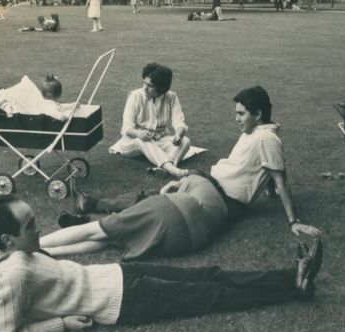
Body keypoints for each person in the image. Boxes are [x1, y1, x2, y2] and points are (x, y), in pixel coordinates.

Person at [0, 195, 324, 332]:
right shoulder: (15, 274)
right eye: (30, 227)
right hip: (122, 302)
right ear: (9, 239)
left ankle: (290, 274)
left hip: (116, 274)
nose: (38, 230)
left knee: (210, 274)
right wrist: (62, 324)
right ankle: (295, 287)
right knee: (212, 295)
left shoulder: (2, 260)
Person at [209, 86, 322, 237]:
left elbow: (280, 180)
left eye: (241, 114)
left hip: (228, 200)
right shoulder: (252, 131)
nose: (236, 119)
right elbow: (267, 164)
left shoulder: (267, 138)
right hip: (214, 185)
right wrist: (270, 191)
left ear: (258, 115)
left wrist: (293, 221)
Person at [45, 172, 228, 260]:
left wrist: (166, 189)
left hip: (171, 212)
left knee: (96, 229)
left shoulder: (195, 180)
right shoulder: (221, 207)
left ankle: (36, 244)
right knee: (112, 238)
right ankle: (49, 252)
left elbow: (169, 191)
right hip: (186, 242)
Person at [109, 63, 192, 178]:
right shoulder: (135, 96)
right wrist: (139, 133)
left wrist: (178, 135)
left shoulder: (171, 97)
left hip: (158, 139)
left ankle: (166, 168)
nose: (145, 88)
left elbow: (179, 122)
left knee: (185, 141)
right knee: (143, 139)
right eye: (144, 83)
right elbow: (127, 128)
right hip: (131, 143)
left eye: (150, 85)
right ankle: (175, 171)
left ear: (161, 87)